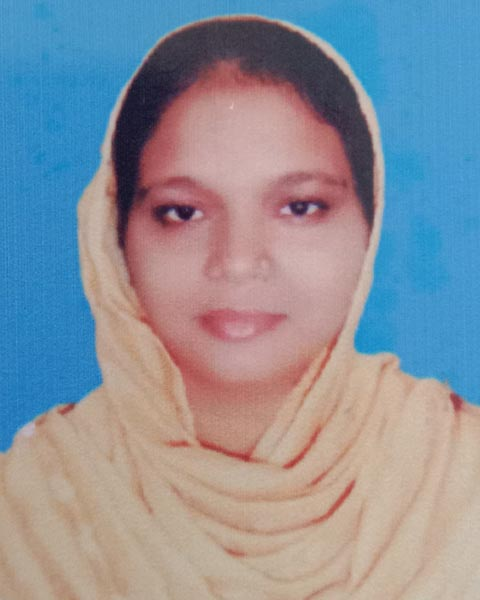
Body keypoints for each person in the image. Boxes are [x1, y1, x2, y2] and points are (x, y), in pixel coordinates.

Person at [1, 15, 480, 600]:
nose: (237, 261)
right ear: (114, 237)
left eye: (299, 207)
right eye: (183, 212)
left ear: (369, 224)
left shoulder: (460, 481)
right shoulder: (28, 511)